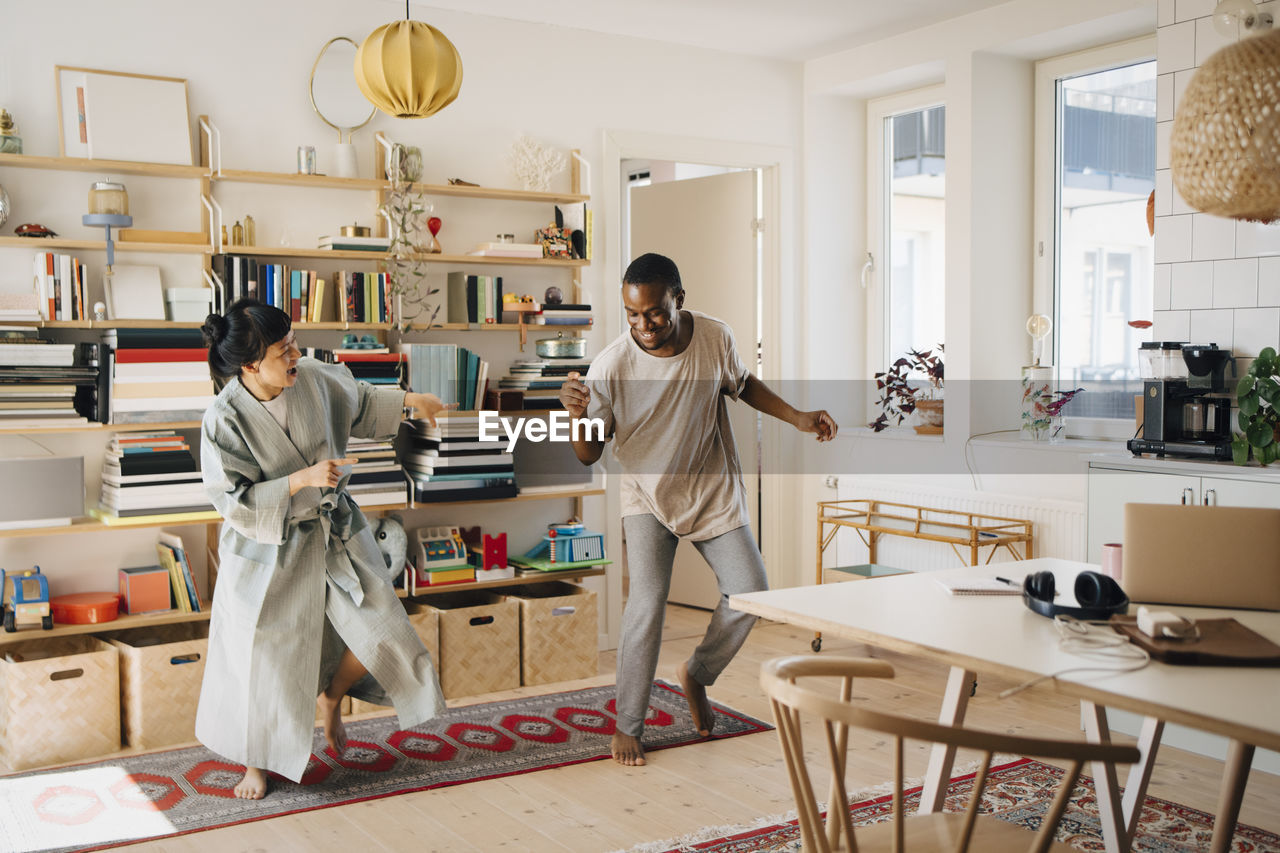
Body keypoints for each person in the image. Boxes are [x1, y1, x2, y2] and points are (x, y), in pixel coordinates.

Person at [559, 253, 837, 766]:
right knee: (646, 603)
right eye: (632, 314)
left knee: (751, 593)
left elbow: (742, 383)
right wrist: (577, 416)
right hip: (647, 494)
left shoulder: (714, 337)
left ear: (678, 301)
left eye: (655, 313)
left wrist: (797, 417)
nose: (643, 325)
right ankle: (629, 724)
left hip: (711, 489)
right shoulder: (611, 366)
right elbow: (589, 454)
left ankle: (697, 674)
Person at [197, 298, 451, 799]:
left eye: (293, 343)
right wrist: (300, 480)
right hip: (269, 549)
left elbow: (358, 400)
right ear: (250, 365)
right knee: (263, 658)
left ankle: (332, 697)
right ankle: (257, 764)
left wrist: (414, 402)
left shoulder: (311, 375)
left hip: (334, 534)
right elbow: (234, 502)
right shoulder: (224, 419)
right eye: (281, 351)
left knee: (379, 629)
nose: (294, 355)